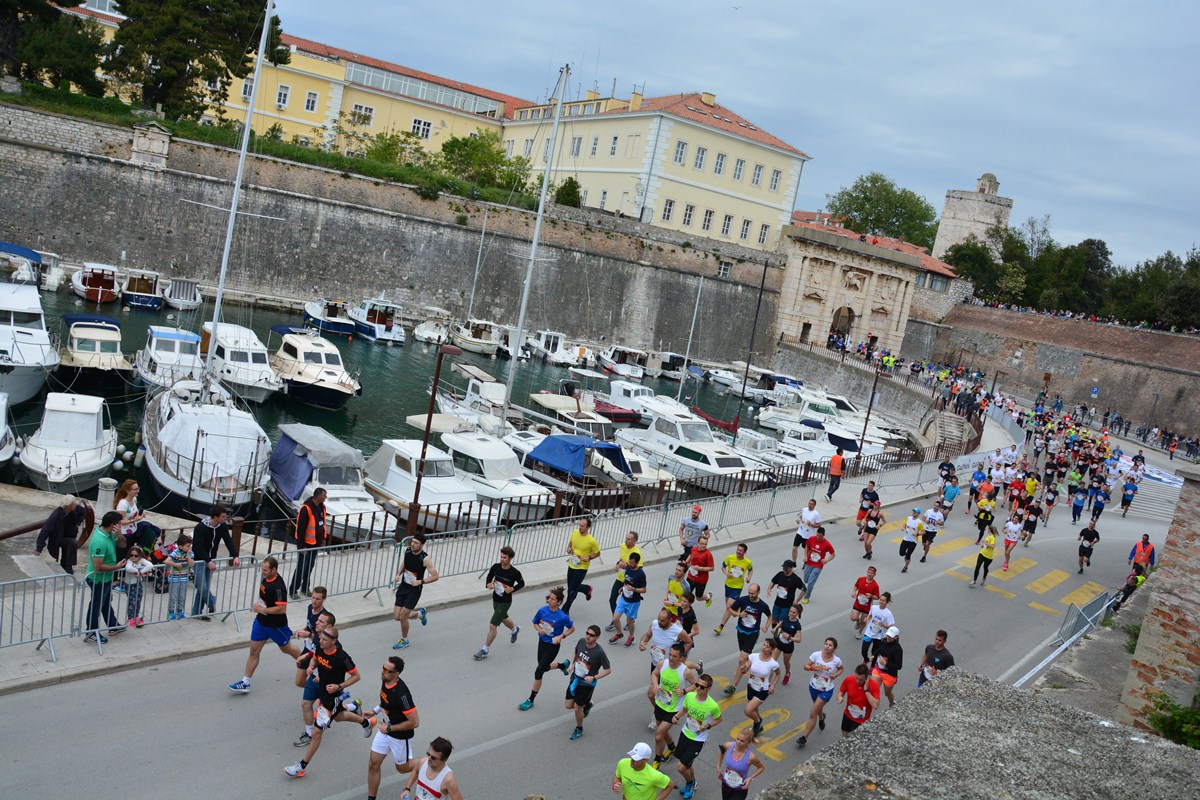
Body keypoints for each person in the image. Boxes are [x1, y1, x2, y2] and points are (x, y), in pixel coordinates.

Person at [284, 625, 374, 778]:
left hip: (332, 698)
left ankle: (301, 766)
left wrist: (339, 686)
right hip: (322, 690)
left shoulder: (342, 658)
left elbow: (356, 676)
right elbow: (315, 658)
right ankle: (365, 722)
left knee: (317, 732)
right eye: (321, 639)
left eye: (325, 640)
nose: (321, 642)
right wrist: (311, 668)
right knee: (339, 716)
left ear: (334, 641)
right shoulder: (320, 647)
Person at [228, 556, 301, 693]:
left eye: (266, 570)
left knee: (287, 649)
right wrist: (260, 606)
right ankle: (245, 682)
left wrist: (262, 609)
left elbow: (282, 609)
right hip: (261, 622)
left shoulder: (279, 587)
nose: (263, 572)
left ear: (274, 569)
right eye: (262, 569)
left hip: (276, 625)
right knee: (254, 651)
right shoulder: (265, 578)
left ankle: (307, 665)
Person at [364, 655, 420, 800]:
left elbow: (414, 722)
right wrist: (375, 711)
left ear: (396, 674)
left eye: (386, 670)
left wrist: (390, 729)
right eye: (383, 667)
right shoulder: (386, 680)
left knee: (402, 769)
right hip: (385, 729)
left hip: (400, 736)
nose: (382, 671)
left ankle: (426, 762)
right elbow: (385, 699)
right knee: (373, 763)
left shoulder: (402, 695)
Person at [519, 586, 574, 710]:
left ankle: (530, 699)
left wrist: (562, 636)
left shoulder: (562, 616)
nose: (550, 600)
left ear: (559, 602)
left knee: (539, 671)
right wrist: (539, 630)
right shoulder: (542, 610)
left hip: (553, 646)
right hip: (542, 642)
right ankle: (562, 666)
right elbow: (535, 622)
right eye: (549, 598)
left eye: (553, 599)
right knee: (543, 666)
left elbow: (572, 628)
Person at [670, 673, 722, 800]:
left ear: (708, 689)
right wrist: (676, 716)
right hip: (685, 734)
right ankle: (691, 782)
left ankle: (691, 783)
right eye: (697, 685)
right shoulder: (690, 696)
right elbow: (684, 710)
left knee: (680, 767)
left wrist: (708, 726)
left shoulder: (712, 705)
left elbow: (719, 719)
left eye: (702, 687)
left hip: (698, 740)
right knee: (687, 765)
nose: (698, 688)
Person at [649, 643, 698, 766]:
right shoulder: (662, 663)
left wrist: (684, 691)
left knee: (659, 735)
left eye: (675, 656)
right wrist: (655, 685)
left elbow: (696, 684)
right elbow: (654, 674)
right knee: (663, 732)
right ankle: (671, 747)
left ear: (681, 657)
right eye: (670, 655)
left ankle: (657, 760)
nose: (671, 658)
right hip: (660, 704)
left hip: (674, 709)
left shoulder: (685, 672)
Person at [293, 604, 334, 747]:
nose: (316, 622)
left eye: (320, 622)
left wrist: (323, 677)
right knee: (305, 704)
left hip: (326, 681)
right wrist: (307, 659)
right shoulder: (318, 637)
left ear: (328, 626)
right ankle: (309, 734)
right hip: (314, 677)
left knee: (339, 715)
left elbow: (337, 668)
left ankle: (359, 714)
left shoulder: (334, 646)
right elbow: (316, 654)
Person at [475, 545, 525, 660]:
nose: (502, 559)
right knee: (503, 618)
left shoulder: (514, 572)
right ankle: (515, 629)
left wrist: (512, 589)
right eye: (501, 557)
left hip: (505, 602)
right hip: (496, 599)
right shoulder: (496, 567)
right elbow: (489, 576)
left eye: (505, 557)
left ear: (510, 558)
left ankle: (485, 649)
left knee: (493, 625)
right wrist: (488, 584)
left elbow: (522, 584)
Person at [721, 584, 771, 697]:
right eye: (749, 592)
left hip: (752, 634)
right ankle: (750, 662)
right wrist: (739, 614)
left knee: (742, 658)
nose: (750, 595)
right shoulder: (742, 600)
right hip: (741, 631)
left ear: (758, 593)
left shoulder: (762, 605)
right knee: (744, 657)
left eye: (753, 593)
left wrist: (766, 627)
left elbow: (770, 616)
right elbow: (730, 610)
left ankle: (733, 686)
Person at [190, 506, 240, 620]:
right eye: (223, 517)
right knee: (201, 587)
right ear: (215, 517)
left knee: (204, 587)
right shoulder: (200, 527)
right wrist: (208, 561)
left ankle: (196, 612)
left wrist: (235, 555)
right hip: (200, 561)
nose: (225, 519)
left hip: (212, 560)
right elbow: (198, 547)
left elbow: (228, 540)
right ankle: (212, 602)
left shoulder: (222, 527)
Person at [565, 624, 613, 740]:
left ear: (597, 637)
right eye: (587, 633)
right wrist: (571, 664)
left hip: (586, 685)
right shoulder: (581, 641)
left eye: (591, 635)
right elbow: (575, 652)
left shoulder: (599, 652)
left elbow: (608, 670)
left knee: (577, 708)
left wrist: (594, 677)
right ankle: (587, 704)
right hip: (574, 679)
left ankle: (579, 728)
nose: (588, 636)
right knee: (568, 705)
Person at [84, 511, 126, 643]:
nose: (121, 525)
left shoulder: (109, 534)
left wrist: (119, 535)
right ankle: (91, 631)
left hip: (106, 578)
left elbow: (123, 544)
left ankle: (112, 625)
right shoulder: (100, 541)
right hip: (98, 579)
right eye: (119, 524)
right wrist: (116, 567)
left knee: (106, 602)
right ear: (113, 525)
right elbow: (97, 566)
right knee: (96, 605)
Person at [795, 637, 843, 748]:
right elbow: (805, 666)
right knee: (817, 708)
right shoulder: (816, 655)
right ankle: (822, 717)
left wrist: (835, 675)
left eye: (830, 645)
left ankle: (804, 738)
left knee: (813, 712)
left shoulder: (836, 660)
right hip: (813, 686)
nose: (827, 646)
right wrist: (813, 668)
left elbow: (841, 669)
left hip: (826, 690)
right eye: (826, 644)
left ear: (834, 649)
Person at [392, 532, 438, 650]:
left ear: (422, 545)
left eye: (416, 543)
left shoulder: (425, 558)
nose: (412, 544)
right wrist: (398, 574)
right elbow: (405, 563)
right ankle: (419, 614)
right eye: (412, 541)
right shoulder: (407, 551)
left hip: (414, 590)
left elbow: (435, 576)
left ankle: (404, 640)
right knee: (397, 617)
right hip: (403, 587)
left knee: (403, 616)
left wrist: (420, 582)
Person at [738, 638, 780, 739]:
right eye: (764, 645)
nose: (764, 647)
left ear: (772, 650)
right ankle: (758, 721)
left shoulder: (773, 663)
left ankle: (757, 723)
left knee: (748, 710)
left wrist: (773, 685)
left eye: (767, 646)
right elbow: (746, 668)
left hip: (762, 690)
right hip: (751, 686)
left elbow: (778, 674)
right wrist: (743, 669)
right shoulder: (753, 656)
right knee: (754, 709)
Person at [290, 488, 327, 599]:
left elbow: (322, 524)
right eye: (324, 495)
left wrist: (323, 539)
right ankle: (293, 591)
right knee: (301, 567)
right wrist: (301, 547)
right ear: (318, 496)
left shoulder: (321, 507)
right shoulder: (306, 509)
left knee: (310, 566)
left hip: (315, 543)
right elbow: (300, 529)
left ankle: (305, 589)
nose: (325, 498)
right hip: (306, 545)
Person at [34, 494, 84, 574]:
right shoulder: (56, 516)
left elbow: (82, 512)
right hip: (58, 537)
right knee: (72, 542)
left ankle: (66, 565)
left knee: (68, 548)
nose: (76, 505)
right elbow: (45, 530)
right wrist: (39, 548)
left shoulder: (75, 508)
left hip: (68, 534)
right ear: (67, 506)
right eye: (73, 504)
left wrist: (78, 522)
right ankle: (68, 566)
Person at [716, 728, 765, 799]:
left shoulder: (751, 757)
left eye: (742, 741)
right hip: (725, 785)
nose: (738, 742)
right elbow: (721, 751)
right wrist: (718, 768)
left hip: (740, 790)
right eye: (737, 739)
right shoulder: (728, 745)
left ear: (748, 742)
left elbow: (761, 767)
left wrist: (750, 779)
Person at [611, 551, 648, 646]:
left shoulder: (640, 574)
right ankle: (619, 634)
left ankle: (631, 637)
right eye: (629, 562)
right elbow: (626, 581)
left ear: (637, 563)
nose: (630, 564)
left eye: (632, 563)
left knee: (630, 621)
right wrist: (622, 588)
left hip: (634, 602)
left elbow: (644, 590)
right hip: (624, 599)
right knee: (615, 619)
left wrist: (634, 589)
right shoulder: (627, 569)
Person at [713, 543, 752, 633]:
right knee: (729, 608)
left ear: (745, 552)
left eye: (740, 550)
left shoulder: (748, 562)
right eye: (737, 549)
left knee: (728, 607)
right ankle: (736, 609)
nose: (738, 551)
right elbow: (723, 567)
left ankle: (721, 626)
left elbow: (750, 570)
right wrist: (726, 573)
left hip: (737, 587)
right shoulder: (730, 558)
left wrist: (749, 578)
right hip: (728, 585)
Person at [563, 517, 599, 614]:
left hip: (582, 567)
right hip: (572, 563)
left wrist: (589, 557)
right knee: (571, 587)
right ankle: (586, 589)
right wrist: (569, 548)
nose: (580, 527)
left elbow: (597, 553)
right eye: (579, 525)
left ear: (588, 528)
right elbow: (570, 543)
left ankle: (564, 610)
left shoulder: (591, 540)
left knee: (572, 590)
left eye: (582, 526)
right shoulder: (575, 533)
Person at [113, 479, 161, 552]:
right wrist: (134, 520)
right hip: (125, 534)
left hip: (133, 530)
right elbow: (119, 521)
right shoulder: (123, 504)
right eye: (135, 489)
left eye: (138, 488)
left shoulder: (134, 499)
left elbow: (133, 512)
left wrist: (140, 514)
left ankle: (146, 551)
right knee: (125, 552)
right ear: (127, 490)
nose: (138, 491)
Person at [837, 663, 881, 737]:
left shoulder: (874, 685)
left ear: (866, 678)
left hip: (862, 720)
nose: (858, 681)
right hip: (848, 715)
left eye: (861, 680)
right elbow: (841, 691)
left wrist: (866, 690)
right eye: (856, 678)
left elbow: (875, 705)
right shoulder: (849, 679)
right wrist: (840, 697)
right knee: (844, 736)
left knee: (853, 739)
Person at [609, 531, 643, 623]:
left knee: (628, 603)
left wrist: (626, 567)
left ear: (634, 541)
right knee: (612, 600)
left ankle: (630, 620)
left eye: (629, 539)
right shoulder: (622, 546)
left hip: (629, 582)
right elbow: (621, 559)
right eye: (626, 538)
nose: (626, 540)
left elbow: (639, 569)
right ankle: (615, 620)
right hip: (620, 578)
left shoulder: (637, 553)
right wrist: (617, 564)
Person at [800, 526, 836, 603]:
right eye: (817, 535)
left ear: (824, 535)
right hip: (809, 563)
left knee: (810, 583)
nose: (818, 537)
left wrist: (827, 560)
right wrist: (805, 556)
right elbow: (807, 547)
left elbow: (833, 554)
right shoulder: (812, 539)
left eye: (820, 536)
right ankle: (806, 587)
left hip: (818, 565)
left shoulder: (827, 544)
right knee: (805, 580)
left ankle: (807, 597)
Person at [870, 626, 903, 706]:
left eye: (890, 636)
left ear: (895, 637)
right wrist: (874, 655)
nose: (887, 637)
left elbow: (899, 666)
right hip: (878, 670)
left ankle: (892, 703)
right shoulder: (883, 641)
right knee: (873, 689)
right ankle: (873, 704)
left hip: (889, 674)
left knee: (887, 693)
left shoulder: (897, 649)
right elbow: (878, 650)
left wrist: (886, 664)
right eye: (887, 635)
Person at [164, 533, 194, 620]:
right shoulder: (176, 552)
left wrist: (188, 556)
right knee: (173, 596)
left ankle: (180, 611)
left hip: (184, 577)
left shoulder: (191, 553)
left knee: (182, 596)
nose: (189, 548)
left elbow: (191, 564)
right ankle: (171, 612)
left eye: (190, 546)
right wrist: (176, 564)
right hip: (174, 577)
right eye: (187, 546)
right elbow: (167, 561)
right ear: (181, 546)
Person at [770, 603, 803, 683]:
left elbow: (799, 639)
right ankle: (767, 682)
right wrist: (775, 628)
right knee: (772, 662)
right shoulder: (785, 618)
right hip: (779, 643)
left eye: (793, 612)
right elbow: (781, 623)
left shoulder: (797, 625)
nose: (791, 614)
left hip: (788, 646)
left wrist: (789, 637)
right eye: (790, 611)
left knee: (786, 663)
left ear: (797, 613)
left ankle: (787, 673)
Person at [122, 545, 153, 628]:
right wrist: (137, 571)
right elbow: (128, 568)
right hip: (130, 584)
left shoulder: (141, 560)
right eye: (131, 555)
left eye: (136, 556)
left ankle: (136, 616)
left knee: (138, 600)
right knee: (132, 601)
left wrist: (141, 571)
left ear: (139, 556)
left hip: (138, 583)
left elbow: (150, 565)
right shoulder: (129, 561)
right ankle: (130, 618)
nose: (133, 557)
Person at [766, 560, 805, 624]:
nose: (784, 569)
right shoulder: (780, 574)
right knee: (774, 619)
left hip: (787, 606)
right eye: (784, 567)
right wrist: (769, 589)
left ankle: (780, 632)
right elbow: (773, 582)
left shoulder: (795, 579)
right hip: (777, 603)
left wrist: (797, 600)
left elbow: (804, 589)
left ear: (791, 568)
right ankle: (775, 633)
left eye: (787, 568)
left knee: (781, 622)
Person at [860, 593, 894, 665]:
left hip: (879, 636)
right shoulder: (874, 607)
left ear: (887, 602)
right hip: (869, 632)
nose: (881, 602)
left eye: (883, 601)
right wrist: (867, 618)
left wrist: (884, 625)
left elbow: (891, 626)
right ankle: (866, 659)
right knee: (864, 650)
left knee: (874, 652)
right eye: (880, 600)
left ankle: (872, 666)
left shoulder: (888, 613)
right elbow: (870, 615)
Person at [850, 566, 880, 639]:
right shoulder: (861, 579)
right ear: (867, 572)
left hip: (866, 606)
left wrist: (871, 596)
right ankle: (857, 621)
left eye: (872, 573)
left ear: (874, 574)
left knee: (864, 621)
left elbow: (877, 597)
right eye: (869, 572)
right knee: (853, 618)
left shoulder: (875, 585)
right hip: (858, 603)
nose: (869, 574)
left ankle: (860, 632)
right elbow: (856, 586)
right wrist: (854, 592)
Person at [683, 534, 715, 603]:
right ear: (697, 543)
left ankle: (708, 597)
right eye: (701, 544)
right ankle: (685, 608)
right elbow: (691, 555)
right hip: (691, 576)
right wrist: (686, 563)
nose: (703, 546)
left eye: (705, 544)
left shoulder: (708, 554)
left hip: (701, 580)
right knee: (686, 595)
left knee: (698, 597)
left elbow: (712, 568)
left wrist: (700, 568)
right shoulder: (694, 549)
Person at [792, 499, 821, 563]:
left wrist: (811, 524)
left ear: (814, 505)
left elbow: (819, 525)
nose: (810, 505)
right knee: (794, 548)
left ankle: (806, 562)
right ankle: (794, 562)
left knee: (807, 550)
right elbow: (802, 516)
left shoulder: (816, 514)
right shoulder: (804, 509)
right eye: (809, 503)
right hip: (800, 532)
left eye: (812, 504)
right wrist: (798, 520)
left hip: (809, 535)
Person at [899, 508, 923, 574]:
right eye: (913, 511)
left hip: (913, 541)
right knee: (901, 553)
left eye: (915, 512)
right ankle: (906, 558)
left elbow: (923, 532)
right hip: (906, 539)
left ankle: (905, 566)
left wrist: (917, 534)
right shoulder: (908, 518)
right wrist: (903, 527)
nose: (913, 513)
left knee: (908, 555)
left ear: (918, 514)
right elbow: (905, 524)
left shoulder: (919, 522)